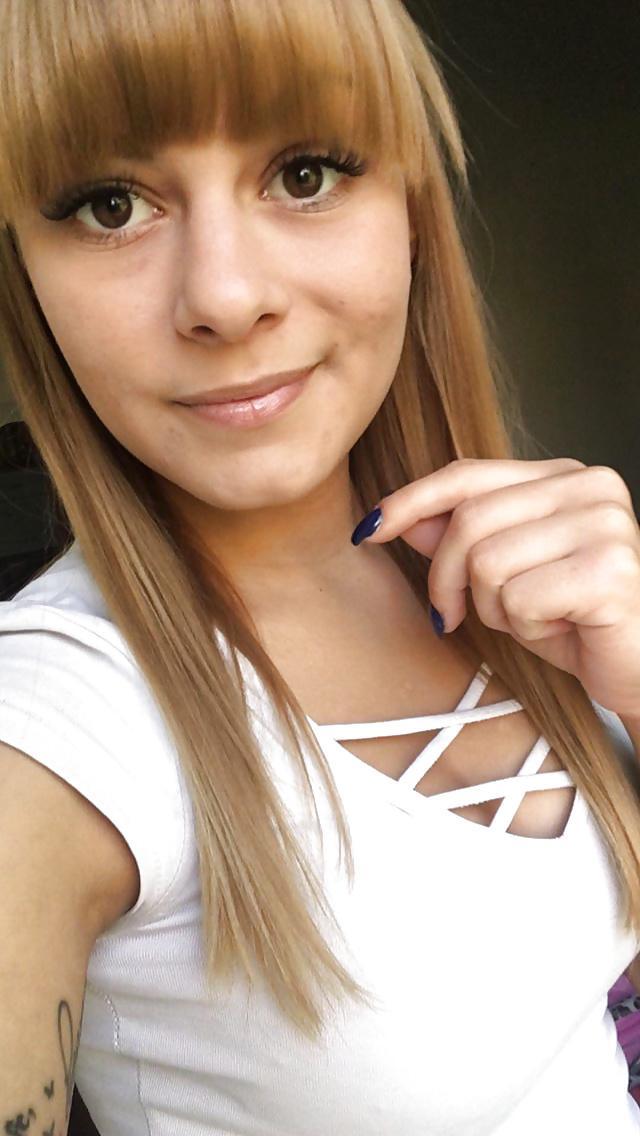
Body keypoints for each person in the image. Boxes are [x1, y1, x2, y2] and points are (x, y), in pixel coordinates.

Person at [1, 1, 640, 1133]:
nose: (225, 297)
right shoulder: (58, 719)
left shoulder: (521, 573)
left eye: (304, 174)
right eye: (110, 205)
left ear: (411, 210)